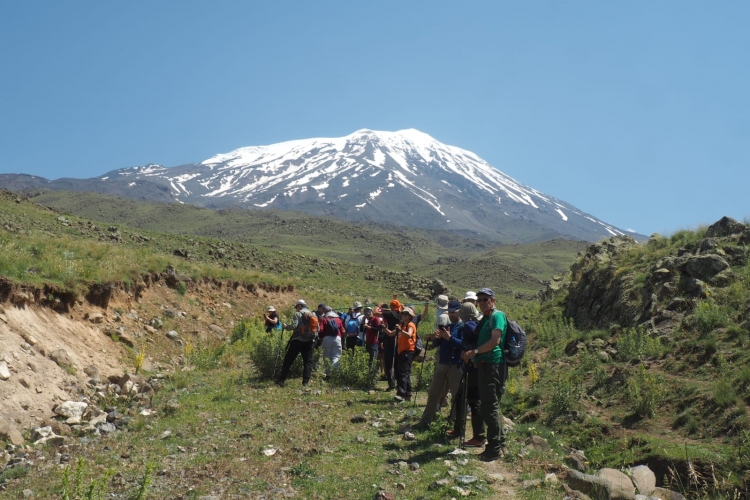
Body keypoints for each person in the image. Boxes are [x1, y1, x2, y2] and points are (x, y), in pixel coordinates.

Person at [460, 288, 508, 461]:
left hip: (493, 365)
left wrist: (475, 351)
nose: (481, 302)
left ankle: (494, 448)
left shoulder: (497, 316)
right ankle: (499, 443)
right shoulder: (487, 318)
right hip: (485, 364)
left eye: (485, 299)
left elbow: (495, 340)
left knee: (489, 405)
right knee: (490, 405)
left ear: (493, 300)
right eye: (479, 300)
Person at [415, 300, 464, 428]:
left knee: (456, 394)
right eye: (450, 313)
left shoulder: (463, 327)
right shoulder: (447, 326)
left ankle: (455, 423)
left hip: (455, 364)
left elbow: (463, 345)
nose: (451, 315)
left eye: (453, 313)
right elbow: (436, 345)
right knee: (433, 392)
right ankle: (425, 421)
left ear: (459, 312)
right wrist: (437, 338)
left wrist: (450, 338)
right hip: (442, 363)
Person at [448, 302, 485, 447]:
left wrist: (468, 353)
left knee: (472, 400)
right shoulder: (476, 323)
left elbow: (472, 345)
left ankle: (478, 436)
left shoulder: (469, 325)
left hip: (472, 367)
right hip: (473, 366)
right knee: (462, 397)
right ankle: (460, 430)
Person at [275, 299, 317, 387]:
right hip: (309, 341)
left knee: (288, 360)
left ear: (300, 306)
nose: (296, 309)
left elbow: (294, 326)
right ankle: (305, 382)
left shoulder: (298, 314)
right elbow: (318, 329)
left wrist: (286, 327)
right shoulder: (313, 315)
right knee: (308, 362)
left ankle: (281, 380)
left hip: (297, 340)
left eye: (296, 307)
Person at [394, 306, 418, 402]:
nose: (404, 315)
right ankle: (408, 394)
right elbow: (392, 334)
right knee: (405, 372)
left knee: (403, 373)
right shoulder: (402, 325)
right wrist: (384, 328)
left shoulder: (410, 325)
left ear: (410, 316)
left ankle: (401, 394)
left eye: (406, 314)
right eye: (403, 314)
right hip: (402, 351)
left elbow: (408, 335)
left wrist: (400, 330)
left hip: (408, 351)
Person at [381, 299, 403, 391]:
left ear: (391, 307)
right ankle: (399, 383)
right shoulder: (402, 315)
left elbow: (376, 312)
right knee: (397, 364)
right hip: (399, 341)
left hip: (390, 341)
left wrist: (380, 306)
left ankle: (392, 384)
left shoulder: (389, 314)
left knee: (389, 364)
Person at [319, 309, 343, 375]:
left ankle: (328, 374)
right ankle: (335, 373)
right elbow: (342, 331)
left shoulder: (324, 319)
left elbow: (321, 330)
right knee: (336, 356)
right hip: (337, 338)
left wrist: (321, 337)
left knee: (326, 356)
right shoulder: (338, 320)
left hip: (327, 338)